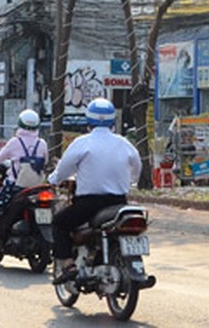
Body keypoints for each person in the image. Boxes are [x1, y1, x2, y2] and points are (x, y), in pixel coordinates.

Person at [47, 98, 141, 284]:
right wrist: (131, 183)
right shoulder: (123, 143)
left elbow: (64, 169)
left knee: (59, 223)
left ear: (88, 121)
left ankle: (68, 265)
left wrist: (53, 179)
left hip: (89, 204)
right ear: (112, 122)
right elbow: (137, 165)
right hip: (119, 202)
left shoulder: (82, 143)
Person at [0, 108, 48, 264]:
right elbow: (46, 162)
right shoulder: (42, 143)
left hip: (16, 187)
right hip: (38, 189)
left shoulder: (15, 142)